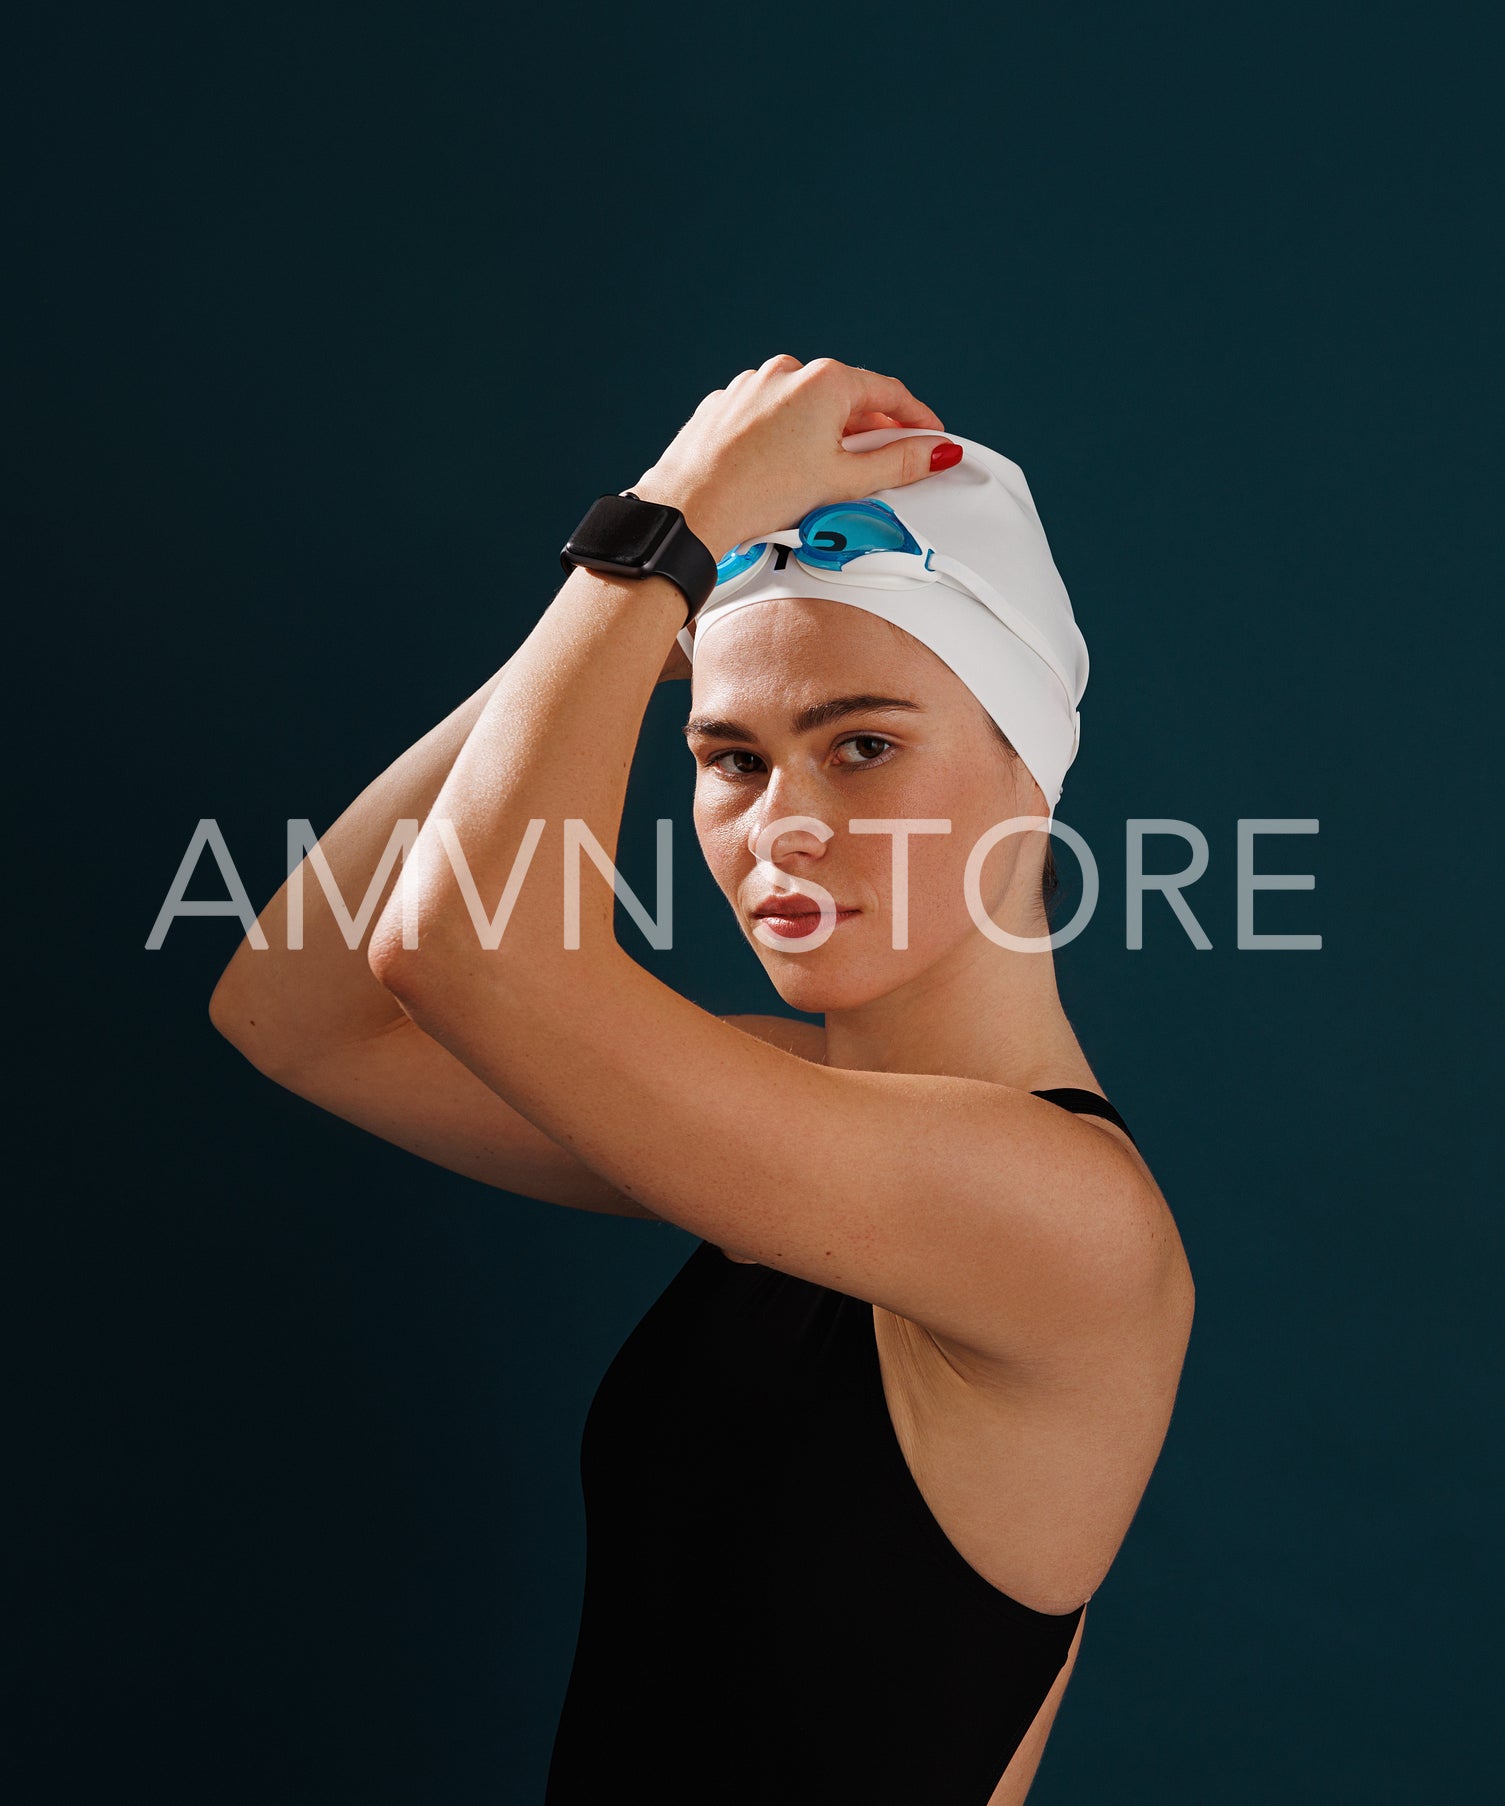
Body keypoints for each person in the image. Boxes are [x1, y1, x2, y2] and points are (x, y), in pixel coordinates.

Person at [210, 354, 1195, 1805]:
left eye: (862, 744)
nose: (782, 824)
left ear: (1026, 769)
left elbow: (458, 952)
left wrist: (668, 526)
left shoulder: (1058, 1220)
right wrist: (639, 614)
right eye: (729, 755)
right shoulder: (790, 1105)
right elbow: (299, 1007)